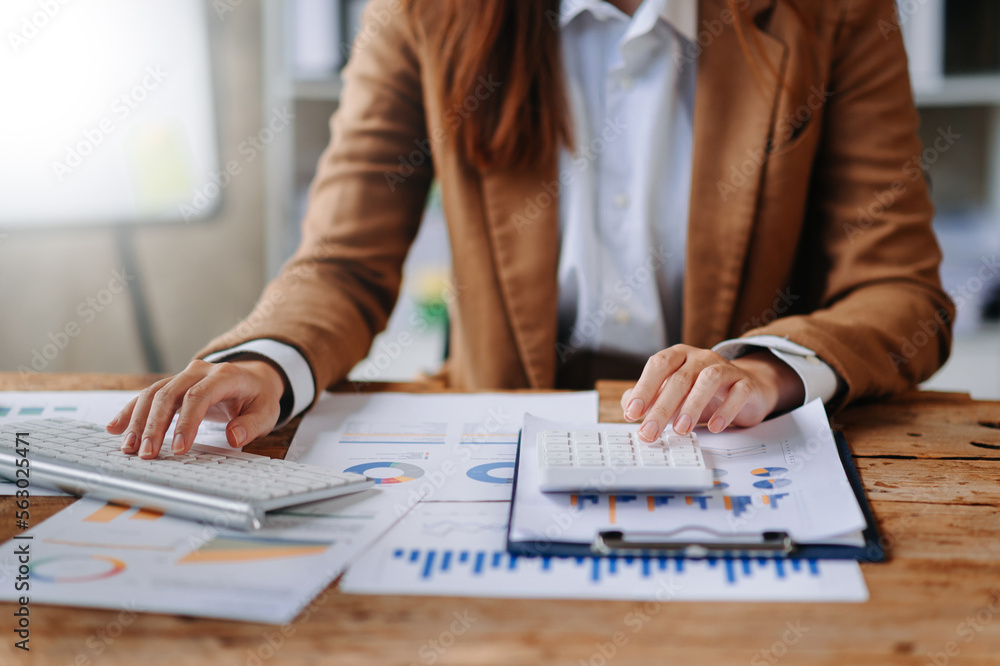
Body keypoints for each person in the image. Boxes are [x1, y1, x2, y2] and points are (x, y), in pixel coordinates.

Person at [108, 0, 954, 459]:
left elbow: (903, 292)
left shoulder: (836, 13)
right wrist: (266, 356)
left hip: (742, 450)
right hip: (494, 442)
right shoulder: (421, 12)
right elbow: (341, 263)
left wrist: (770, 365)